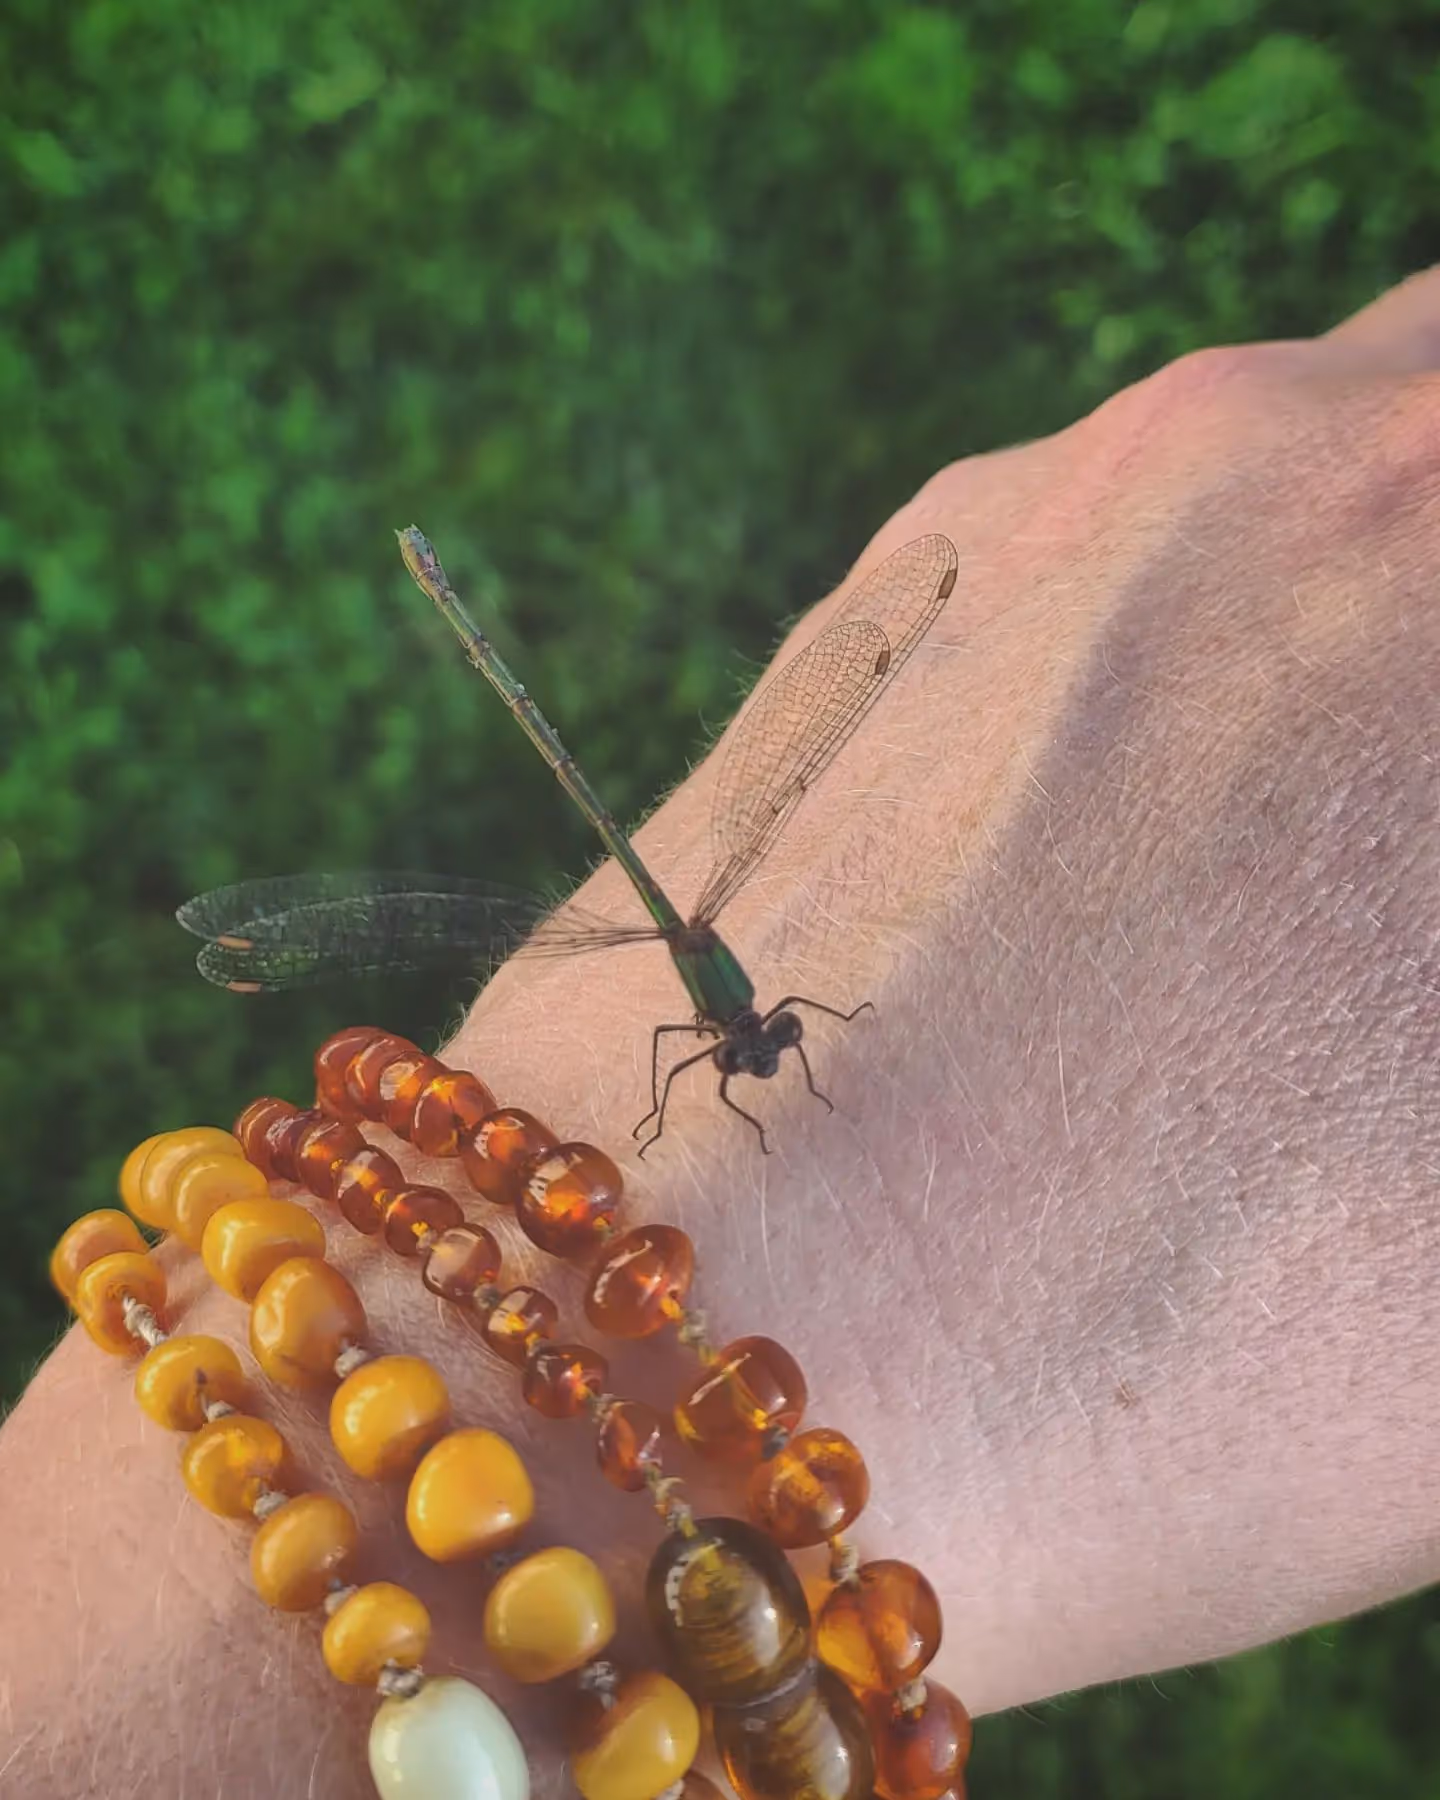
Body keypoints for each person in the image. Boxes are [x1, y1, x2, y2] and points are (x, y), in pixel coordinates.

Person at [3, 266, 1437, 1799]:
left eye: (749, 1051)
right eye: (744, 1053)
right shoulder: (703, 1031)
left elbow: (794, 1026)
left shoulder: (761, 1018)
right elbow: (707, 1074)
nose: (752, 1055)